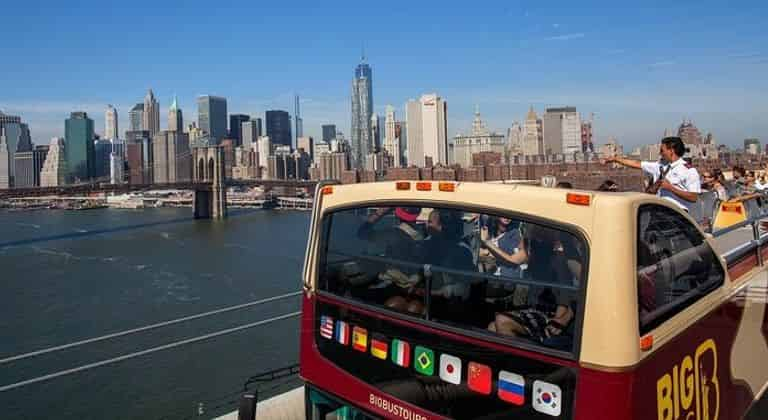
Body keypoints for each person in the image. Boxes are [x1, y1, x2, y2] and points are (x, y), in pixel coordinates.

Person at [603, 136, 701, 212]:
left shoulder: (689, 171)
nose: (660, 153)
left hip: (677, 213)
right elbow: (637, 164)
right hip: (658, 211)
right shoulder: (659, 166)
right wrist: (615, 159)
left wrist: (670, 188)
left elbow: (693, 197)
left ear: (671, 151)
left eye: (662, 150)